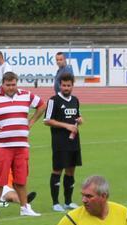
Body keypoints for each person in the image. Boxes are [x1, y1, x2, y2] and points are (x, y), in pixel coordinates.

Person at [0, 71, 45, 218]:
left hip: (21, 145)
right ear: (2, 84)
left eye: (13, 84)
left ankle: (25, 207)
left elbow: (42, 105)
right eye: (8, 85)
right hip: (1, 145)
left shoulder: (26, 94)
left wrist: (31, 121)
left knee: (21, 178)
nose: (11, 87)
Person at [44, 73, 84, 212]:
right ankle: (55, 202)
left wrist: (79, 120)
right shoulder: (53, 100)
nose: (66, 88)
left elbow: (76, 115)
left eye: (69, 85)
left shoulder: (75, 100)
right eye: (64, 85)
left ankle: (68, 201)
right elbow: (47, 120)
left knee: (71, 170)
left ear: (73, 85)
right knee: (57, 170)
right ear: (59, 85)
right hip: (60, 142)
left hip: (74, 141)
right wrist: (66, 126)